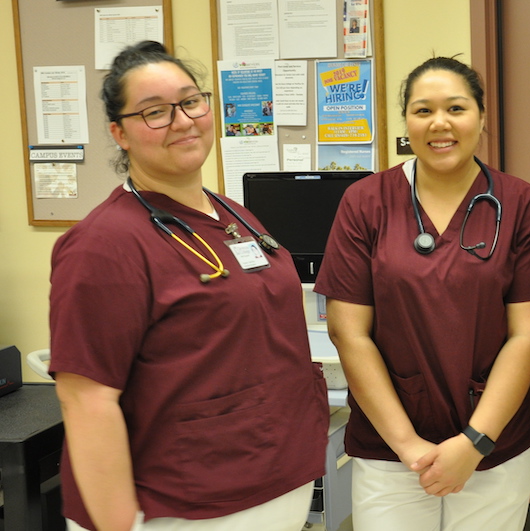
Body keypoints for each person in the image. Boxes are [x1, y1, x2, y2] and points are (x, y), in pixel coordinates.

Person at [48, 41, 329, 531]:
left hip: (270, 476)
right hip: (178, 502)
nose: (181, 121)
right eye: (154, 112)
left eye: (190, 101)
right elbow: (87, 401)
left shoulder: (231, 213)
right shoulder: (103, 244)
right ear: (120, 133)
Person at [314, 56, 530, 531]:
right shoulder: (366, 202)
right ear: (406, 121)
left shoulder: (521, 203)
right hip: (390, 442)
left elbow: (526, 334)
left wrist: (474, 442)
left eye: (456, 109)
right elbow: (347, 330)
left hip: (494, 440)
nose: (439, 124)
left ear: (482, 118)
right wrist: (406, 443)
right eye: (423, 110)